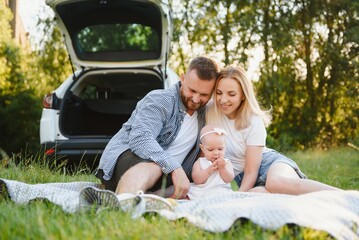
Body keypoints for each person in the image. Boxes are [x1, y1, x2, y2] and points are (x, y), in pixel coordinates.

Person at [95, 56, 220, 199]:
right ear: (183, 78)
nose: (196, 99)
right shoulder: (161, 100)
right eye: (192, 90)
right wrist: (175, 167)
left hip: (166, 177)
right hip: (127, 159)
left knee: (183, 189)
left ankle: (147, 199)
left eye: (204, 94)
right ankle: (124, 202)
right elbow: (140, 139)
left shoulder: (207, 113)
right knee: (154, 167)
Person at [206, 65, 341, 194]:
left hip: (269, 165)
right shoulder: (211, 111)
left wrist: (238, 195)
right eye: (219, 93)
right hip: (246, 180)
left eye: (231, 94)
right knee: (254, 194)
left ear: (243, 95)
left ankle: (346, 196)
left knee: (275, 183)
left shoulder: (252, 119)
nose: (223, 100)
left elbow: (251, 171)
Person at [187, 124, 234, 200]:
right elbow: (197, 180)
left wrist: (223, 168)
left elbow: (229, 179)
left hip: (220, 190)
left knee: (224, 195)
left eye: (220, 149)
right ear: (202, 148)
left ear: (225, 146)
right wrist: (209, 170)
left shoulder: (226, 162)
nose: (216, 153)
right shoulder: (199, 162)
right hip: (201, 190)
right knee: (188, 192)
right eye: (210, 150)